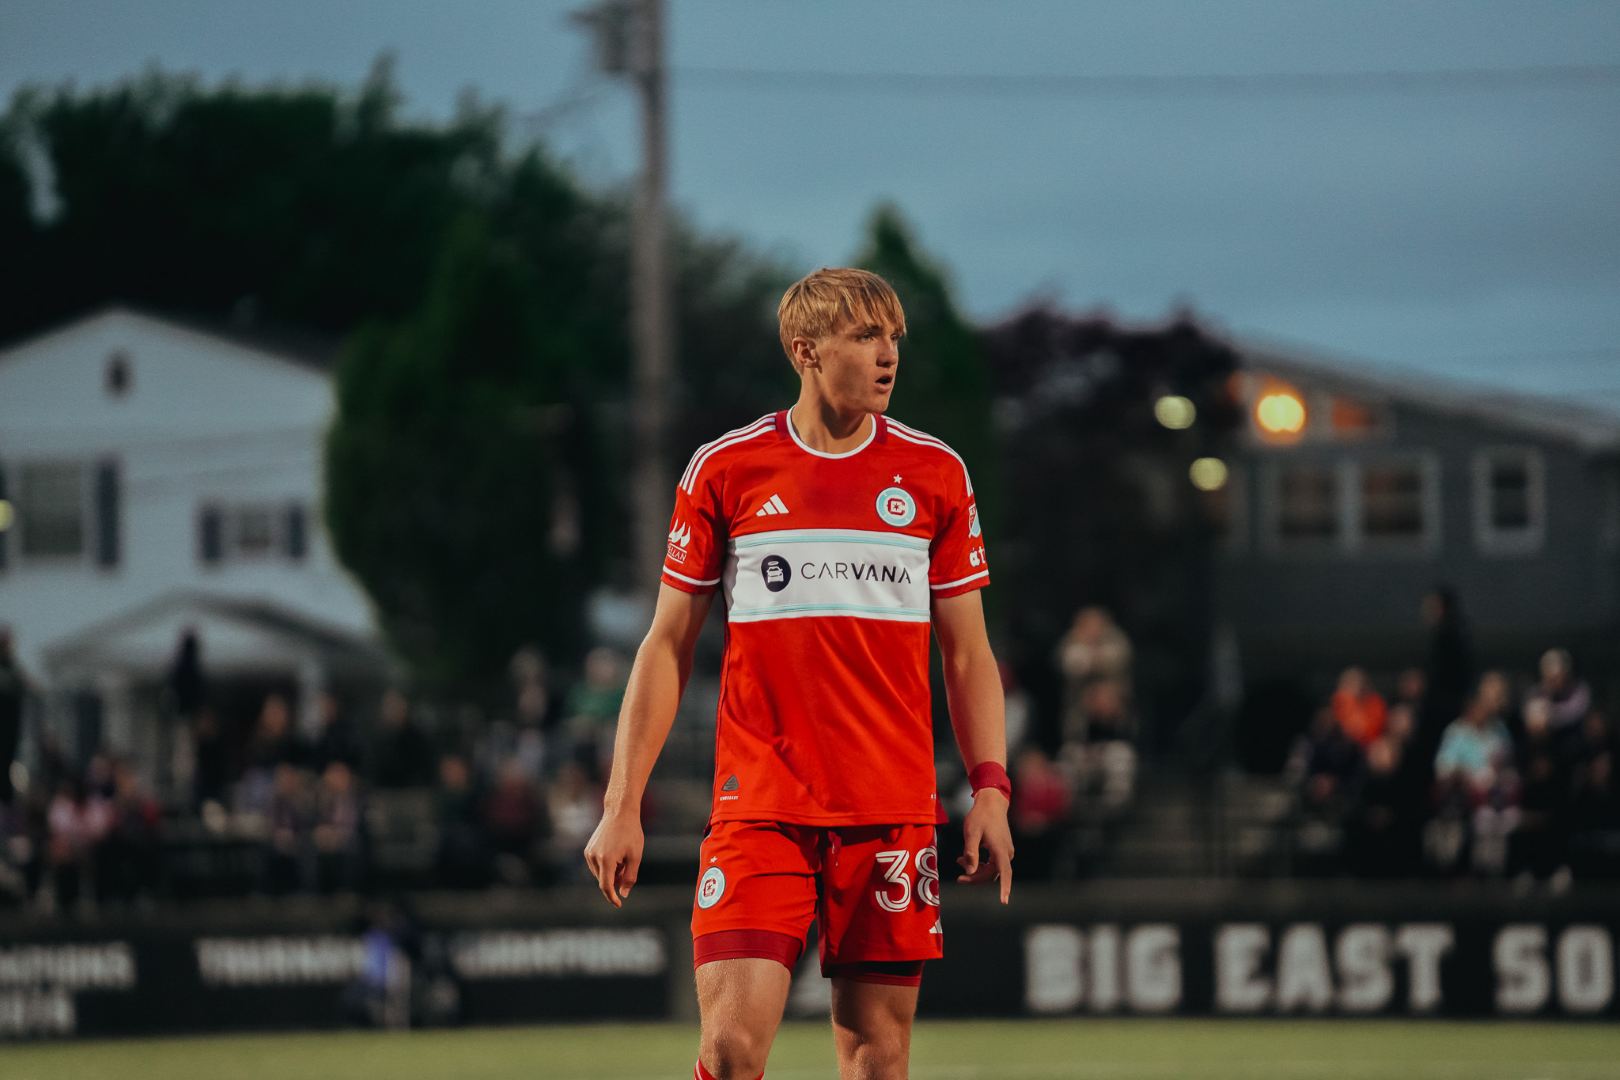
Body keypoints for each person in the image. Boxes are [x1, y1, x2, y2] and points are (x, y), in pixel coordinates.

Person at [584, 267, 1013, 1080]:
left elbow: (967, 654)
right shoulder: (726, 468)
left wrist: (990, 787)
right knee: (730, 1050)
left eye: (894, 338)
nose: (888, 356)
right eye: (865, 337)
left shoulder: (936, 475)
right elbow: (666, 645)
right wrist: (621, 804)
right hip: (761, 811)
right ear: (804, 350)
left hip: (890, 810)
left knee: (878, 1061)